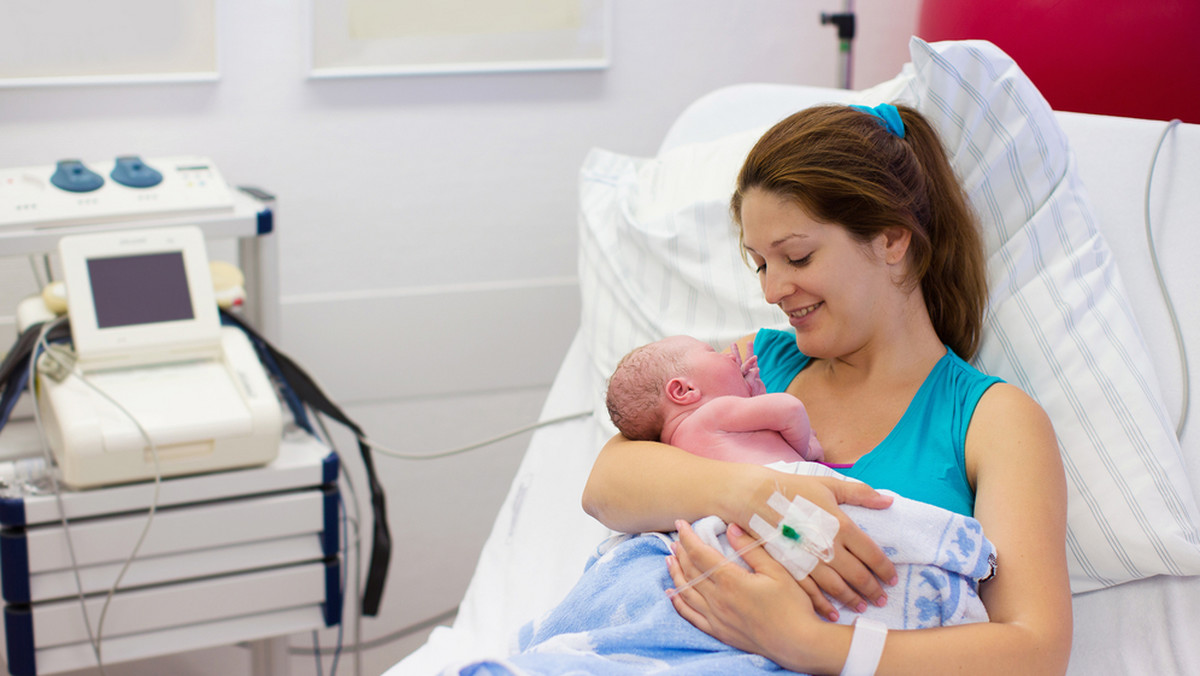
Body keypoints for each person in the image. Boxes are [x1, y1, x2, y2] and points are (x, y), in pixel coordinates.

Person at [582, 102, 1072, 675]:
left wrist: (806, 644)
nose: (772, 290)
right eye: (760, 263)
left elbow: (1036, 651)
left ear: (892, 239)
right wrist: (757, 498)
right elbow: (605, 487)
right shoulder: (753, 367)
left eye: (796, 256)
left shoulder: (990, 419)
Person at [605, 335, 824, 465]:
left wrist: (752, 397)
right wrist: (804, 449)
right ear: (684, 390)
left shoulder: (675, 450)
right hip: (790, 493)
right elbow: (790, 409)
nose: (729, 356)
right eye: (713, 352)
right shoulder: (712, 413)